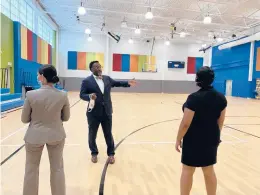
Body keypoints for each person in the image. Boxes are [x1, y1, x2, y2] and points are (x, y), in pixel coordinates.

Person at [175, 66, 227, 195]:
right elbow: (220, 121)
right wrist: (216, 136)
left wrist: (178, 139)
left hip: (193, 139)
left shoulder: (194, 98)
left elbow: (186, 123)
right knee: (209, 171)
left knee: (187, 170)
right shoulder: (221, 98)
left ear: (197, 79)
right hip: (211, 138)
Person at [21, 65, 70, 195]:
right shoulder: (63, 95)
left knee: (31, 169)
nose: (37, 77)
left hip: (34, 136)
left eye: (38, 75)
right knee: (57, 169)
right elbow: (66, 118)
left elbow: (24, 119)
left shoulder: (30, 95)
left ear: (42, 77)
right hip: (56, 135)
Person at [80, 61, 136, 164]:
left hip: (107, 112)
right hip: (93, 113)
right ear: (91, 69)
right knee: (92, 134)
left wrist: (127, 83)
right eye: (96, 67)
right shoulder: (86, 81)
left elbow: (117, 83)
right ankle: (94, 153)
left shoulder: (107, 78)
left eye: (100, 66)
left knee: (108, 134)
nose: (99, 68)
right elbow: (81, 95)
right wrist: (89, 96)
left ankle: (111, 154)